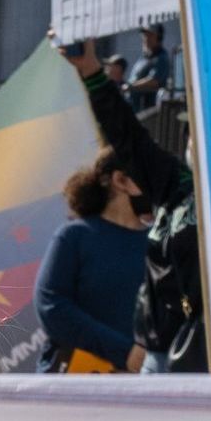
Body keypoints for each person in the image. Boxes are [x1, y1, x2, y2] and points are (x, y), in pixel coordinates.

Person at [36, 149, 152, 372]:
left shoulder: (159, 243)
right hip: (76, 389)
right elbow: (51, 307)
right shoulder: (74, 236)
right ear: (121, 180)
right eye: (150, 175)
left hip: (140, 390)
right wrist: (124, 352)